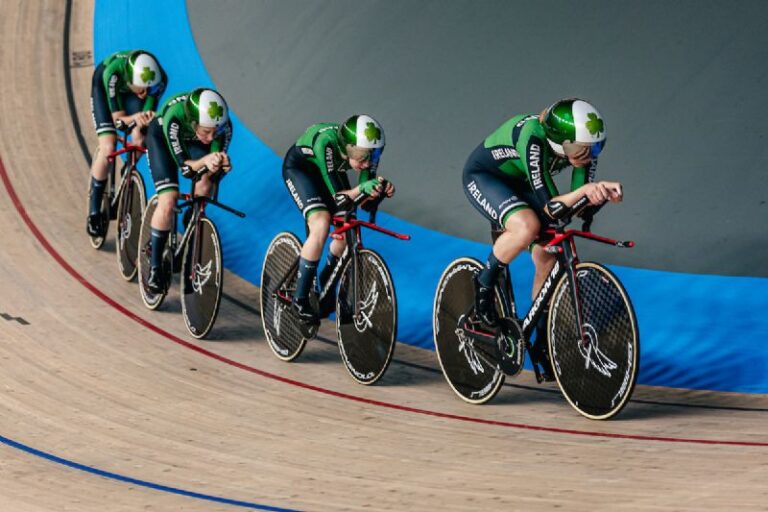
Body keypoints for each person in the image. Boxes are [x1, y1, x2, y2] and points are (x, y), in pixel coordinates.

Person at [462, 98, 623, 380]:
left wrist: (598, 196)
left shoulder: (582, 151)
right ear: (560, 140)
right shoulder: (533, 137)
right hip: (486, 178)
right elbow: (550, 207)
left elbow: (574, 207)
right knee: (526, 227)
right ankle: (483, 288)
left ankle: (540, 338)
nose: (588, 155)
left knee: (547, 256)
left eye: (596, 147)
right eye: (581, 149)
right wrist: (587, 190)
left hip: (521, 183)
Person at [282, 114, 394, 325]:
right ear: (349, 148)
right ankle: (299, 299)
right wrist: (362, 188)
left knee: (346, 229)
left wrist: (377, 192)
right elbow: (338, 198)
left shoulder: (367, 155)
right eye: (362, 157)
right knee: (321, 223)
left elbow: (362, 203)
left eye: (372, 156)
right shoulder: (327, 144)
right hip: (301, 170)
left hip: (328, 171)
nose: (368, 162)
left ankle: (325, 283)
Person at [144, 88, 233, 293]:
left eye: (215, 131)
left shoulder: (224, 127)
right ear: (193, 123)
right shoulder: (175, 118)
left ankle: (191, 221)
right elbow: (185, 169)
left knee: (205, 185)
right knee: (168, 200)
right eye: (206, 131)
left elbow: (212, 169)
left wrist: (221, 167)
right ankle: (156, 268)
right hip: (162, 140)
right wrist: (205, 160)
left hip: (193, 142)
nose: (211, 138)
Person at [87, 50, 167, 237]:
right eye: (142, 89)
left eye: (150, 90)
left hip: (130, 93)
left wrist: (142, 120)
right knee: (108, 148)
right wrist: (134, 117)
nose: (145, 94)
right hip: (105, 89)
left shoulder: (159, 80)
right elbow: (119, 121)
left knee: (140, 138)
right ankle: (93, 212)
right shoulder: (112, 74)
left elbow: (144, 115)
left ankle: (127, 170)